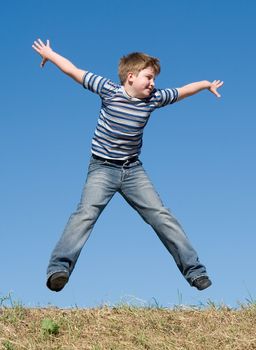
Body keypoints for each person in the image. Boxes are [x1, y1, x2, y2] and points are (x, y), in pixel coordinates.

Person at [32, 38, 223, 293]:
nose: (153, 83)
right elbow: (73, 71)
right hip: (102, 168)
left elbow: (183, 90)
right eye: (149, 77)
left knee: (161, 216)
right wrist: (51, 54)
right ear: (131, 77)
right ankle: (59, 269)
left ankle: (195, 272)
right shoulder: (108, 89)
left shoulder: (153, 99)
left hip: (133, 171)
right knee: (85, 214)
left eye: (154, 78)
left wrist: (206, 85)